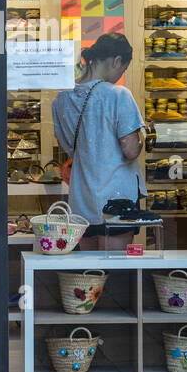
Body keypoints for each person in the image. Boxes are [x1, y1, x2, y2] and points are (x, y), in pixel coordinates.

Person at [51, 32, 146, 251]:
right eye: (123, 69)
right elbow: (130, 149)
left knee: (91, 276)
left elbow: (66, 145)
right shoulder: (117, 95)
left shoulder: (61, 99)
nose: (120, 75)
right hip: (117, 199)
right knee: (115, 270)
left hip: (81, 200)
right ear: (116, 61)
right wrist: (143, 140)